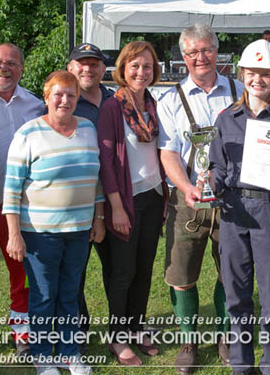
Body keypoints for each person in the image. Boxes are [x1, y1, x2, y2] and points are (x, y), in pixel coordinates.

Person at [208, 39, 270, 375]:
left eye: (265, 73)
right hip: (234, 211)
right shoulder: (225, 118)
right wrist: (209, 183)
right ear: (242, 74)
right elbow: (217, 168)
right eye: (252, 73)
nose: (258, 80)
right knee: (236, 295)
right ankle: (241, 363)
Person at [3, 70, 105, 375]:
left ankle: (68, 352)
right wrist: (13, 235)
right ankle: (42, 356)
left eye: (71, 95)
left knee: (70, 293)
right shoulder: (28, 133)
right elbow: (12, 188)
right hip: (39, 234)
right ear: (46, 98)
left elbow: (96, 178)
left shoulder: (87, 128)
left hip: (78, 231)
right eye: (58, 94)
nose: (65, 100)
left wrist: (98, 219)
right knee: (44, 295)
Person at [157, 23, 244, 374]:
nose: (200, 58)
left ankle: (224, 336)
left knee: (230, 273)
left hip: (232, 200)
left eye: (206, 50)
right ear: (183, 57)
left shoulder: (239, 90)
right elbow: (168, 153)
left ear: (217, 52)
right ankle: (188, 339)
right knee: (182, 274)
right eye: (192, 52)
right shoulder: (170, 98)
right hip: (187, 199)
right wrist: (186, 187)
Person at [97, 41, 169, 366]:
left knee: (144, 269)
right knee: (122, 272)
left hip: (153, 197)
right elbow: (107, 158)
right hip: (125, 200)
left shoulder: (155, 104)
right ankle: (117, 336)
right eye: (135, 66)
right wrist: (115, 205)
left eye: (148, 66)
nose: (142, 72)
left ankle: (138, 326)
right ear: (123, 68)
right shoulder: (113, 107)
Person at [0, 43, 45, 355]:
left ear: (22, 68)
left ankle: (23, 335)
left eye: (11, 63)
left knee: (23, 277)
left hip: (20, 211)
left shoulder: (35, 106)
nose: (3, 68)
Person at [67, 42, 114, 339]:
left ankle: (122, 327)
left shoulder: (116, 101)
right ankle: (79, 328)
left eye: (94, 63)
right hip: (78, 202)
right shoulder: (63, 102)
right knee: (75, 273)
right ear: (70, 68)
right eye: (81, 63)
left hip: (115, 199)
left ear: (103, 69)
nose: (88, 68)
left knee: (118, 271)